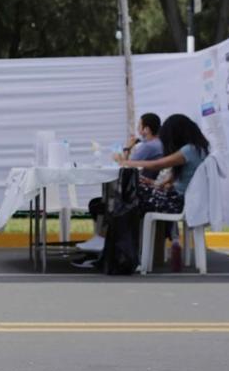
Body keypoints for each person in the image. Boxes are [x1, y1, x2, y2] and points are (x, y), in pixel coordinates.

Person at [115, 114, 210, 270]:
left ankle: (128, 251)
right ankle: (157, 245)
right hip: (181, 200)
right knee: (136, 188)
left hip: (176, 203)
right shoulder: (199, 149)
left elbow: (156, 165)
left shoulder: (188, 150)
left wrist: (124, 162)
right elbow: (179, 181)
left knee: (129, 193)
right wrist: (155, 184)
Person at [72, 113, 164, 267]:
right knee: (101, 203)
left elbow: (125, 165)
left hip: (139, 193)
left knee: (102, 204)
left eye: (139, 126)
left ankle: (102, 241)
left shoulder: (148, 146)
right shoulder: (157, 145)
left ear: (146, 129)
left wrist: (127, 147)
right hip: (145, 189)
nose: (137, 129)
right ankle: (101, 241)